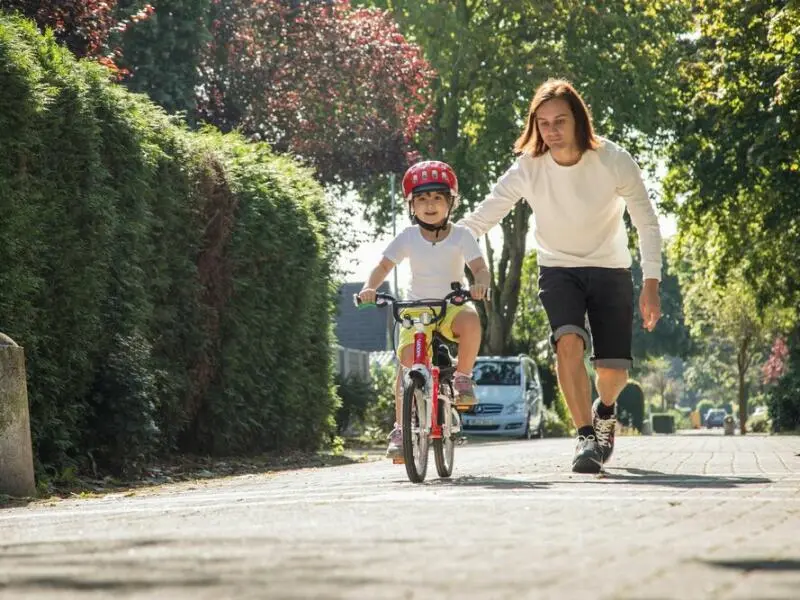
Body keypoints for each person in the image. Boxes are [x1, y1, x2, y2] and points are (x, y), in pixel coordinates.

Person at [459, 79, 662, 473]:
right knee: (567, 342)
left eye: (560, 121)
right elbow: (481, 218)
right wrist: (438, 242)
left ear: (578, 120)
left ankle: (604, 410)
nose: (551, 130)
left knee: (613, 372)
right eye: (543, 122)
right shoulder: (528, 168)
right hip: (558, 268)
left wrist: (651, 282)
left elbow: (647, 222)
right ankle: (585, 436)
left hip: (611, 268)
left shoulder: (613, 160)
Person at [358, 160, 490, 459]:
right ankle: (402, 430)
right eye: (422, 199)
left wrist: (480, 284)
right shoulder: (407, 236)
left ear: (450, 203)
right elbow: (383, 265)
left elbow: (480, 268)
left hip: (451, 305)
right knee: (407, 366)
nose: (430, 205)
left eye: (437, 198)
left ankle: (462, 378)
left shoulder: (461, 236)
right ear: (411, 205)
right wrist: (370, 287)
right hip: (416, 310)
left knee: (471, 320)